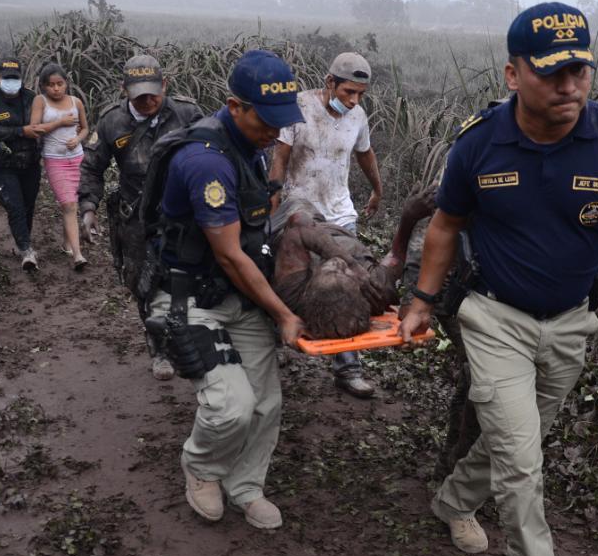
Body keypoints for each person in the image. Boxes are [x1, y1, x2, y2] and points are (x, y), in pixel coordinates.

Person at [399, 2, 598, 556]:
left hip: (570, 323)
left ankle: (454, 501)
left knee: (519, 439)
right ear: (513, 75)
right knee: (522, 462)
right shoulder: (479, 143)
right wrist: (421, 302)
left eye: (579, 70)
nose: (568, 85)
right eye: (550, 71)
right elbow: (443, 227)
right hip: (493, 317)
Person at [138, 49, 305, 531]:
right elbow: (231, 254)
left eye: (281, 122)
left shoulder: (250, 146)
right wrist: (284, 314)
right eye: (267, 121)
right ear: (236, 107)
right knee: (231, 406)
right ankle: (202, 469)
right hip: (190, 297)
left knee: (267, 402)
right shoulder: (204, 162)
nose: (276, 132)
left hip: (239, 293)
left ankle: (246, 485)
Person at [78, 55, 204, 380]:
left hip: (183, 216)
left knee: (188, 278)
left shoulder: (187, 114)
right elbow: (92, 167)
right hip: (135, 217)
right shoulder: (111, 123)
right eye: (139, 96)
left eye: (153, 93)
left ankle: (191, 336)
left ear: (165, 85)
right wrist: (88, 207)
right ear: (124, 91)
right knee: (143, 284)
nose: (148, 101)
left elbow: (212, 153)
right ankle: (158, 348)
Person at [269, 52, 383, 398]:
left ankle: (348, 368)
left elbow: (365, 152)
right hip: (299, 210)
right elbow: (280, 156)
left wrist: (377, 189)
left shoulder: (357, 116)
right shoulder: (298, 107)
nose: (354, 100)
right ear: (329, 82)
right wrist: (273, 202)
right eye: (348, 92)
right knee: (288, 281)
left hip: (338, 213)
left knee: (347, 287)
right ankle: (274, 346)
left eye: (360, 94)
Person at [269, 191, 433, 339]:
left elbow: (298, 222)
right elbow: (396, 256)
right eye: (343, 270)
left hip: (283, 223)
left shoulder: (292, 291)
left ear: (309, 288)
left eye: (329, 269)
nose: (337, 262)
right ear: (360, 290)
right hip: (324, 228)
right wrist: (409, 215)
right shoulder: (375, 288)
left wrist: (349, 264)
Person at [0, 57, 46, 270]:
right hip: (2, 164)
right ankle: (26, 250)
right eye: (6, 78)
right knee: (14, 206)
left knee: (27, 206)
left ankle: (23, 241)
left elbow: (44, 122)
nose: (11, 82)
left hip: (30, 162)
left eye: (14, 78)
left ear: (21, 78)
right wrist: (21, 131)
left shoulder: (32, 98)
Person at [30, 63, 90, 271]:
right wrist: (59, 123)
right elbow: (35, 128)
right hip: (55, 160)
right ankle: (78, 254)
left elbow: (85, 128)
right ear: (44, 86)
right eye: (51, 85)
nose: (55, 88)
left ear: (66, 84)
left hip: (78, 158)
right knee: (68, 205)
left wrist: (78, 139)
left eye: (59, 84)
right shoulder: (40, 101)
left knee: (73, 203)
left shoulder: (76, 102)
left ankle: (67, 244)